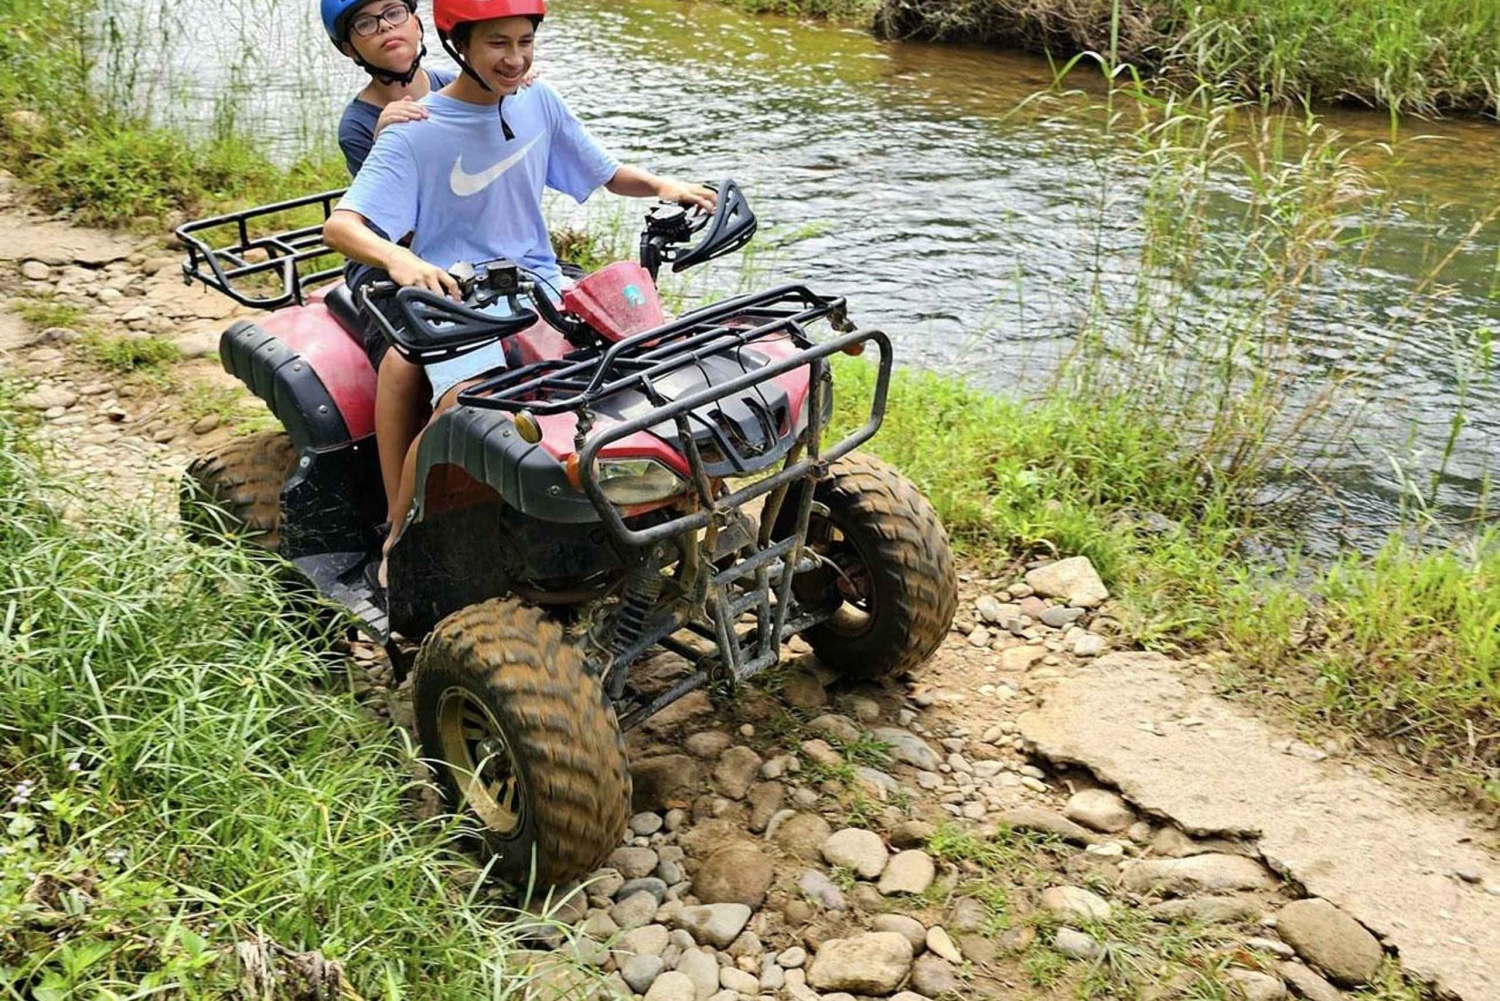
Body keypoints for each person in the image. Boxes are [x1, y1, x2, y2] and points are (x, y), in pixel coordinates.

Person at [322, 0, 714, 589]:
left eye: (524, 41)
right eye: (498, 44)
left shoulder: (539, 101)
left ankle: (663, 501)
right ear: (461, 46)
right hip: (464, 295)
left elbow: (605, 172)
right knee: (461, 409)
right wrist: (401, 258)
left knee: (645, 362)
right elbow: (341, 227)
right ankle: (400, 534)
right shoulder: (414, 131)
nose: (515, 58)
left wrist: (665, 185)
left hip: (540, 279)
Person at [322, 0, 454, 177]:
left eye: (394, 13)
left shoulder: (454, 85)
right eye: (365, 23)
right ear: (350, 49)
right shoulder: (357, 127)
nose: (384, 25)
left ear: (417, 25)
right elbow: (381, 201)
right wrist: (384, 144)